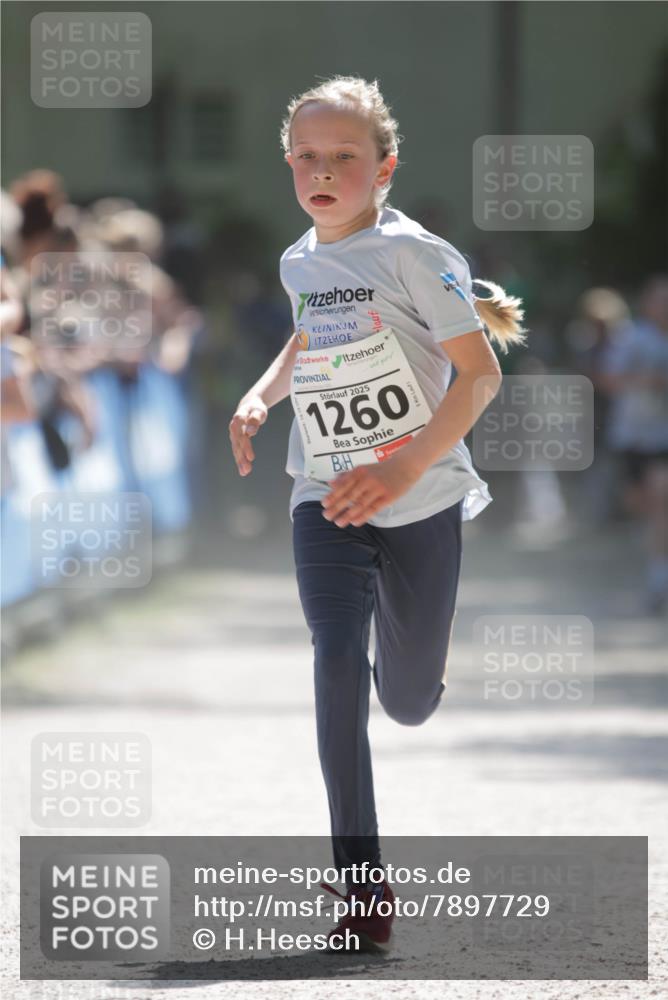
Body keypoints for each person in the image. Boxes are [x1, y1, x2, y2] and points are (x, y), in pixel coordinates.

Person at [228, 76, 526, 953]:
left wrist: (402, 469)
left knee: (404, 703)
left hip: (419, 494)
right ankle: (360, 879)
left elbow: (481, 376)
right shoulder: (298, 259)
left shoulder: (415, 254)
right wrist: (261, 393)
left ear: (384, 168)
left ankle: (420, 679)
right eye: (307, 158)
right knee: (331, 656)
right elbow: (309, 332)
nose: (323, 172)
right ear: (289, 164)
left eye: (344, 159)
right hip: (324, 490)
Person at [599, 274, 668, 615]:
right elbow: (608, 379)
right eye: (659, 300)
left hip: (662, 438)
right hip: (631, 435)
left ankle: (658, 579)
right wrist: (648, 381)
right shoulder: (633, 340)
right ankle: (655, 557)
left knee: (660, 498)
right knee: (640, 505)